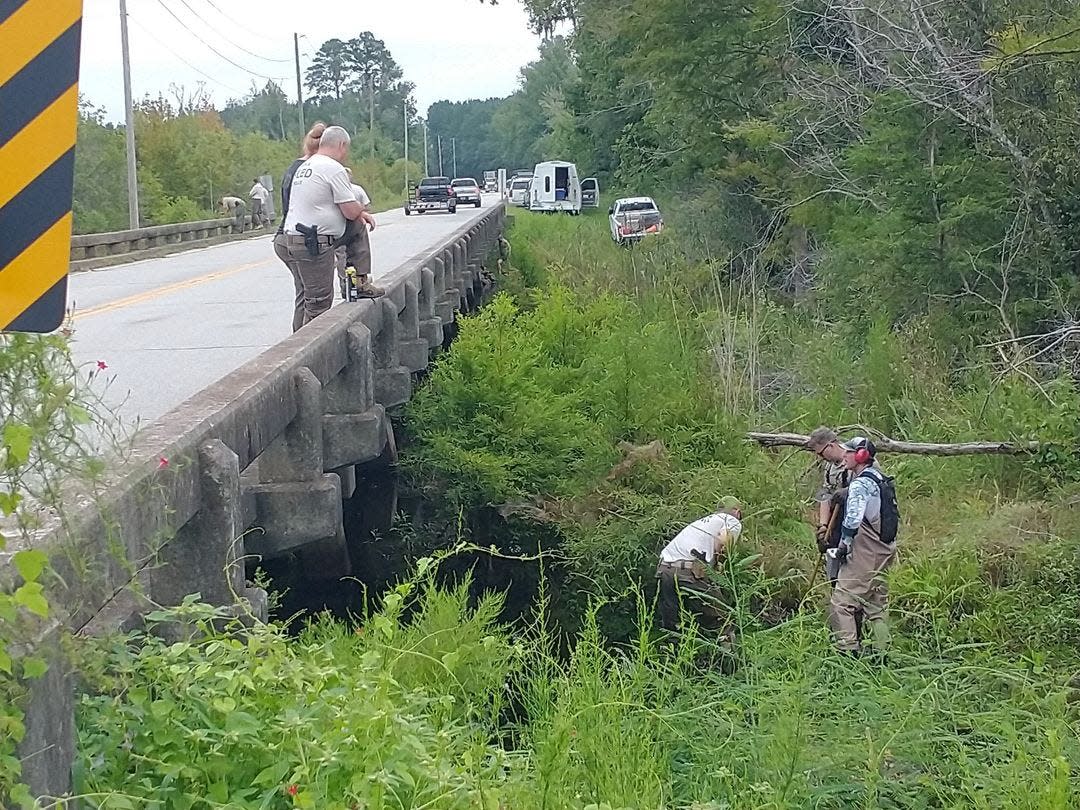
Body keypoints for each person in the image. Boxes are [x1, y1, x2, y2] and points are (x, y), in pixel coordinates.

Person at [274, 125, 377, 332]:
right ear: (341, 145)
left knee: (357, 227)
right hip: (312, 242)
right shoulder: (333, 168)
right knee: (318, 302)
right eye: (346, 149)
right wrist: (361, 208)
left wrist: (358, 215)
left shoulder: (305, 166)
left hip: (291, 238)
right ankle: (306, 352)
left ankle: (359, 281)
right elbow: (349, 211)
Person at [828, 437, 899, 659]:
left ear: (860, 456)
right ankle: (882, 653)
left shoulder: (859, 484)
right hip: (885, 549)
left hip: (866, 552)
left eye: (849, 453)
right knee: (876, 606)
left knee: (842, 602)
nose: (845, 456)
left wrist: (843, 545)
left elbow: (852, 520)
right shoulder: (880, 478)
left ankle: (847, 652)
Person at [656, 497, 743, 632]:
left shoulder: (704, 522)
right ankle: (728, 651)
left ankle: (673, 651)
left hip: (664, 568)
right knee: (722, 619)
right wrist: (719, 565)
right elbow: (723, 540)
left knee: (673, 625)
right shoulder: (731, 521)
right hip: (688, 572)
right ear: (737, 512)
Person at [334, 169, 377, 300]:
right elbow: (365, 206)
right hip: (344, 226)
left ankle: (346, 284)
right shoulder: (356, 190)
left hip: (334, 228)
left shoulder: (334, 188)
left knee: (341, 258)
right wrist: (359, 211)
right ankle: (359, 281)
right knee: (358, 245)